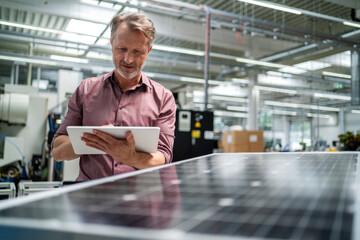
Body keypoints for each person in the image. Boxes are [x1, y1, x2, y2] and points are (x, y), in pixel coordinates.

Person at [51, 13, 176, 180]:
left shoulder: (163, 98)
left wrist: (130, 156)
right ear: (111, 44)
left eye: (137, 51)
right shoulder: (85, 90)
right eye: (122, 49)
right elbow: (57, 151)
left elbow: (164, 157)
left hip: (138, 200)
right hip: (88, 198)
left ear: (148, 52)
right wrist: (92, 140)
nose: (128, 59)